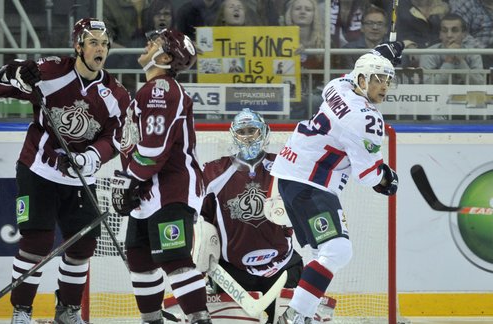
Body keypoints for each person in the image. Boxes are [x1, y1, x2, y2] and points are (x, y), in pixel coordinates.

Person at [0, 18, 131, 324]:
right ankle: (22, 312)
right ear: (78, 46)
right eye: (93, 42)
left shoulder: (116, 94)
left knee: (83, 246)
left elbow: (118, 136)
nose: (99, 49)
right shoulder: (50, 72)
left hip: (81, 178)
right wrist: (15, 74)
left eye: (104, 43)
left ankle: (68, 311)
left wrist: (92, 157)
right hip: (38, 169)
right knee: (36, 242)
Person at [271, 46, 401, 323]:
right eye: (378, 78)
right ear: (363, 80)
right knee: (338, 250)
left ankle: (304, 312)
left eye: (388, 79)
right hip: (310, 182)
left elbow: (349, 76)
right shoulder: (366, 119)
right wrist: (387, 179)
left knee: (322, 252)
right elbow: (368, 175)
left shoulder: (337, 86)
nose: (384, 86)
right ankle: (295, 316)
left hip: (290, 176)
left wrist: (378, 55)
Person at [110, 28, 211, 324]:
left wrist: (131, 178)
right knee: (140, 260)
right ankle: (152, 320)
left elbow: (154, 148)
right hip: (149, 189)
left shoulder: (160, 89)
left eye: (154, 43)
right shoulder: (150, 89)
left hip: (171, 187)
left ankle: (200, 319)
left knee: (173, 257)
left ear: (165, 57)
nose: (146, 44)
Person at [197, 108, 306, 324]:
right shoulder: (213, 173)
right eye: (242, 131)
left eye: (253, 131)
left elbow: (304, 209)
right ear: (233, 134)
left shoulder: (284, 167)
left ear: (264, 132)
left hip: (282, 266)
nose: (247, 137)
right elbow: (200, 221)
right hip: (232, 274)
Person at [284, 0, 325, 119]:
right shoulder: (278, 39)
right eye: (298, 9)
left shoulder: (325, 44)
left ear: (314, 15)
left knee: (312, 101)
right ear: (290, 13)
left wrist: (308, 51)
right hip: (286, 90)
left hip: (313, 93)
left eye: (308, 9)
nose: (302, 12)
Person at [420, 13, 485, 85]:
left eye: (454, 30)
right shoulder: (428, 53)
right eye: (444, 31)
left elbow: (480, 85)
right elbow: (427, 86)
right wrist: (448, 60)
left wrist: (460, 61)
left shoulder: (473, 53)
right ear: (440, 34)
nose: (449, 35)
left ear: (464, 34)